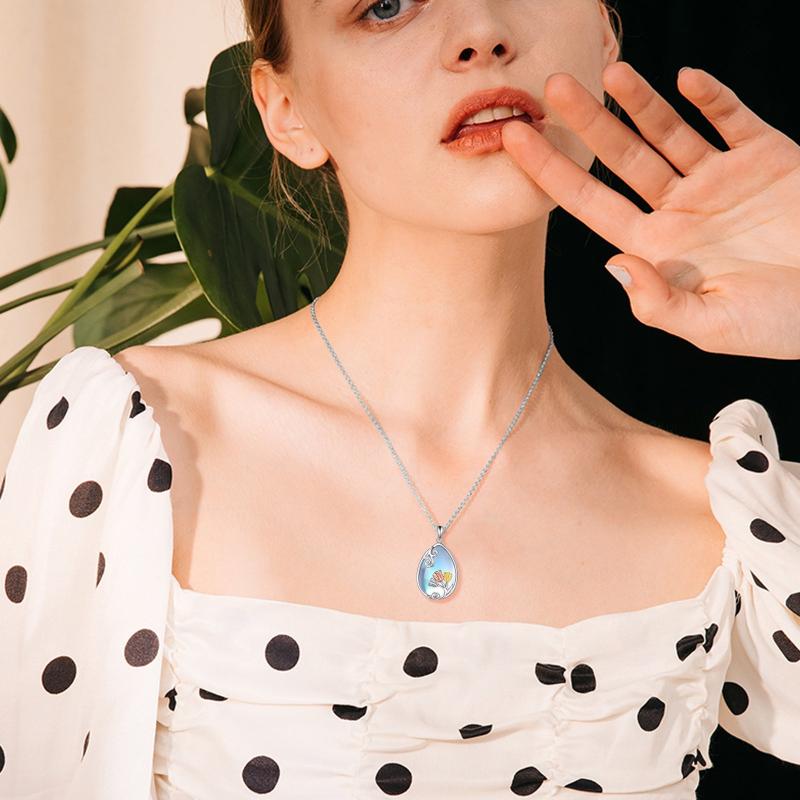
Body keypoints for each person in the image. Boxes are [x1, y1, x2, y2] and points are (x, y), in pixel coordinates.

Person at [2, 1, 800, 797]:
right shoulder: (141, 443)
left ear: (602, 33)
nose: (481, 33)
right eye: (385, 7)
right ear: (286, 111)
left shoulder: (729, 523)